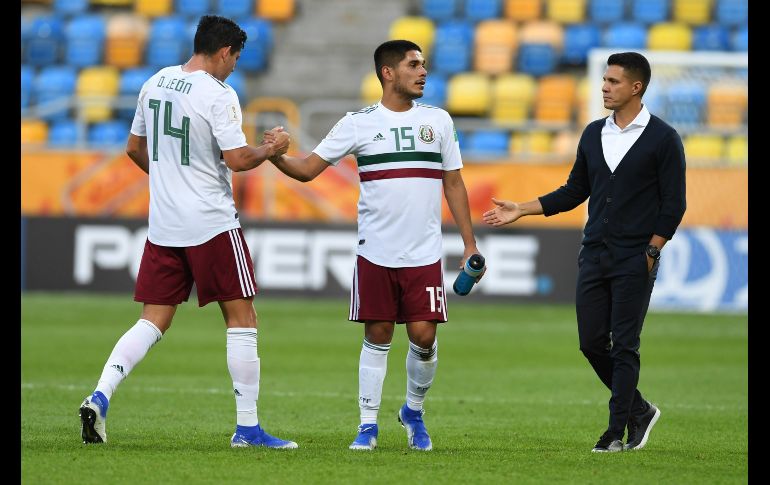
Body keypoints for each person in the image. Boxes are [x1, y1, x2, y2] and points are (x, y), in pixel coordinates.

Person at [78, 15, 298, 450]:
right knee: (242, 319)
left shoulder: (155, 82)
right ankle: (248, 430)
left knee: (152, 320)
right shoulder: (218, 94)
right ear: (223, 53)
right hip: (212, 223)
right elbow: (236, 159)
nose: (234, 66)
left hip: (165, 224)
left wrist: (167, 181)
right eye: (235, 57)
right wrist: (272, 148)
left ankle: (100, 395)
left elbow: (133, 148)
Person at [263, 39, 484, 451]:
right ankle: (367, 426)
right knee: (378, 332)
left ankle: (413, 412)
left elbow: (453, 182)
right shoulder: (358, 123)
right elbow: (308, 169)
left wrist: (469, 244)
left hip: (423, 253)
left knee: (423, 336)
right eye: (413, 65)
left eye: (423, 64)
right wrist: (276, 157)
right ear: (388, 72)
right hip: (375, 251)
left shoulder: (437, 121)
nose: (423, 72)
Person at [483, 52, 686, 453]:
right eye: (604, 81)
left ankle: (615, 432)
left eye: (612, 81)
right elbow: (575, 190)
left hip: (635, 257)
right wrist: (521, 208)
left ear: (636, 87)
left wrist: (652, 249)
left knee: (625, 344)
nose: (604, 87)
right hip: (594, 254)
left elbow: (673, 204)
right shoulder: (594, 133)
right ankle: (640, 409)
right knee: (592, 343)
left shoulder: (664, 138)